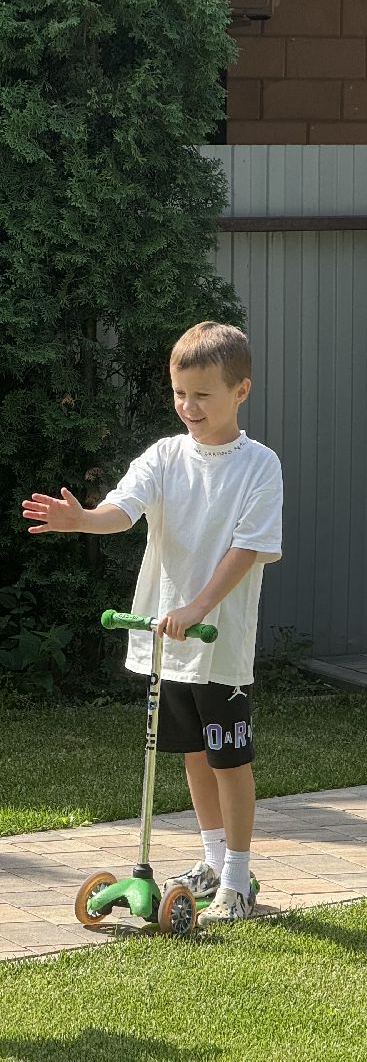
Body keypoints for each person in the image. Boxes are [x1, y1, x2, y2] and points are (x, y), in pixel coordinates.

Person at [22, 322, 283, 920]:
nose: (188, 407)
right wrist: (84, 519)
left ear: (240, 391)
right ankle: (213, 859)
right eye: (179, 394)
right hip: (171, 641)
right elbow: (125, 508)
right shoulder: (165, 456)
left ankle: (239, 881)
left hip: (220, 643)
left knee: (229, 759)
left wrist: (197, 609)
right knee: (193, 752)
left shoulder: (259, 466)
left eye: (202, 395)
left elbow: (247, 549)